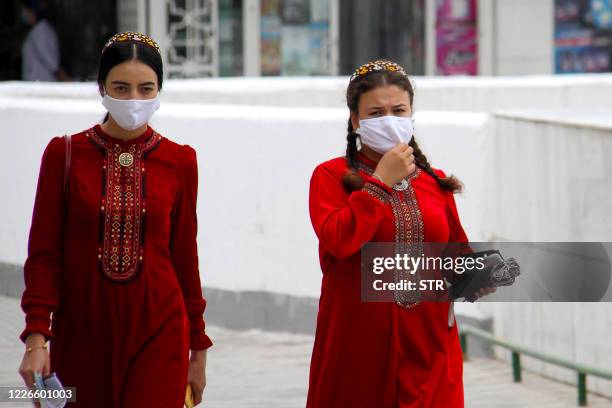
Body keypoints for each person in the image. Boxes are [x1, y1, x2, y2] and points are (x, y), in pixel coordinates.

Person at [18, 31, 212, 407]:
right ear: (101, 87)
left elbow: (185, 260)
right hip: (82, 333)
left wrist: (198, 349)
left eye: (146, 89)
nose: (134, 100)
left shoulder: (180, 160)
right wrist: (36, 337)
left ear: (159, 91)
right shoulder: (65, 154)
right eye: (121, 88)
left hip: (160, 332)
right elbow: (43, 254)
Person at [306, 59, 494, 407]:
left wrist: (486, 273)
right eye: (376, 113)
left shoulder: (435, 181)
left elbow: (457, 259)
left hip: (429, 345)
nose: (389, 120)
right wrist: (380, 183)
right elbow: (339, 240)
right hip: (360, 346)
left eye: (398, 110)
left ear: (411, 115)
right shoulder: (330, 177)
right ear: (355, 120)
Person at [20, 0, 69, 81]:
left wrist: (63, 76)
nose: (23, 14)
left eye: (26, 11)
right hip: (36, 82)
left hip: (40, 83)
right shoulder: (37, 30)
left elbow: (49, 59)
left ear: (33, 12)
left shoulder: (40, 31)